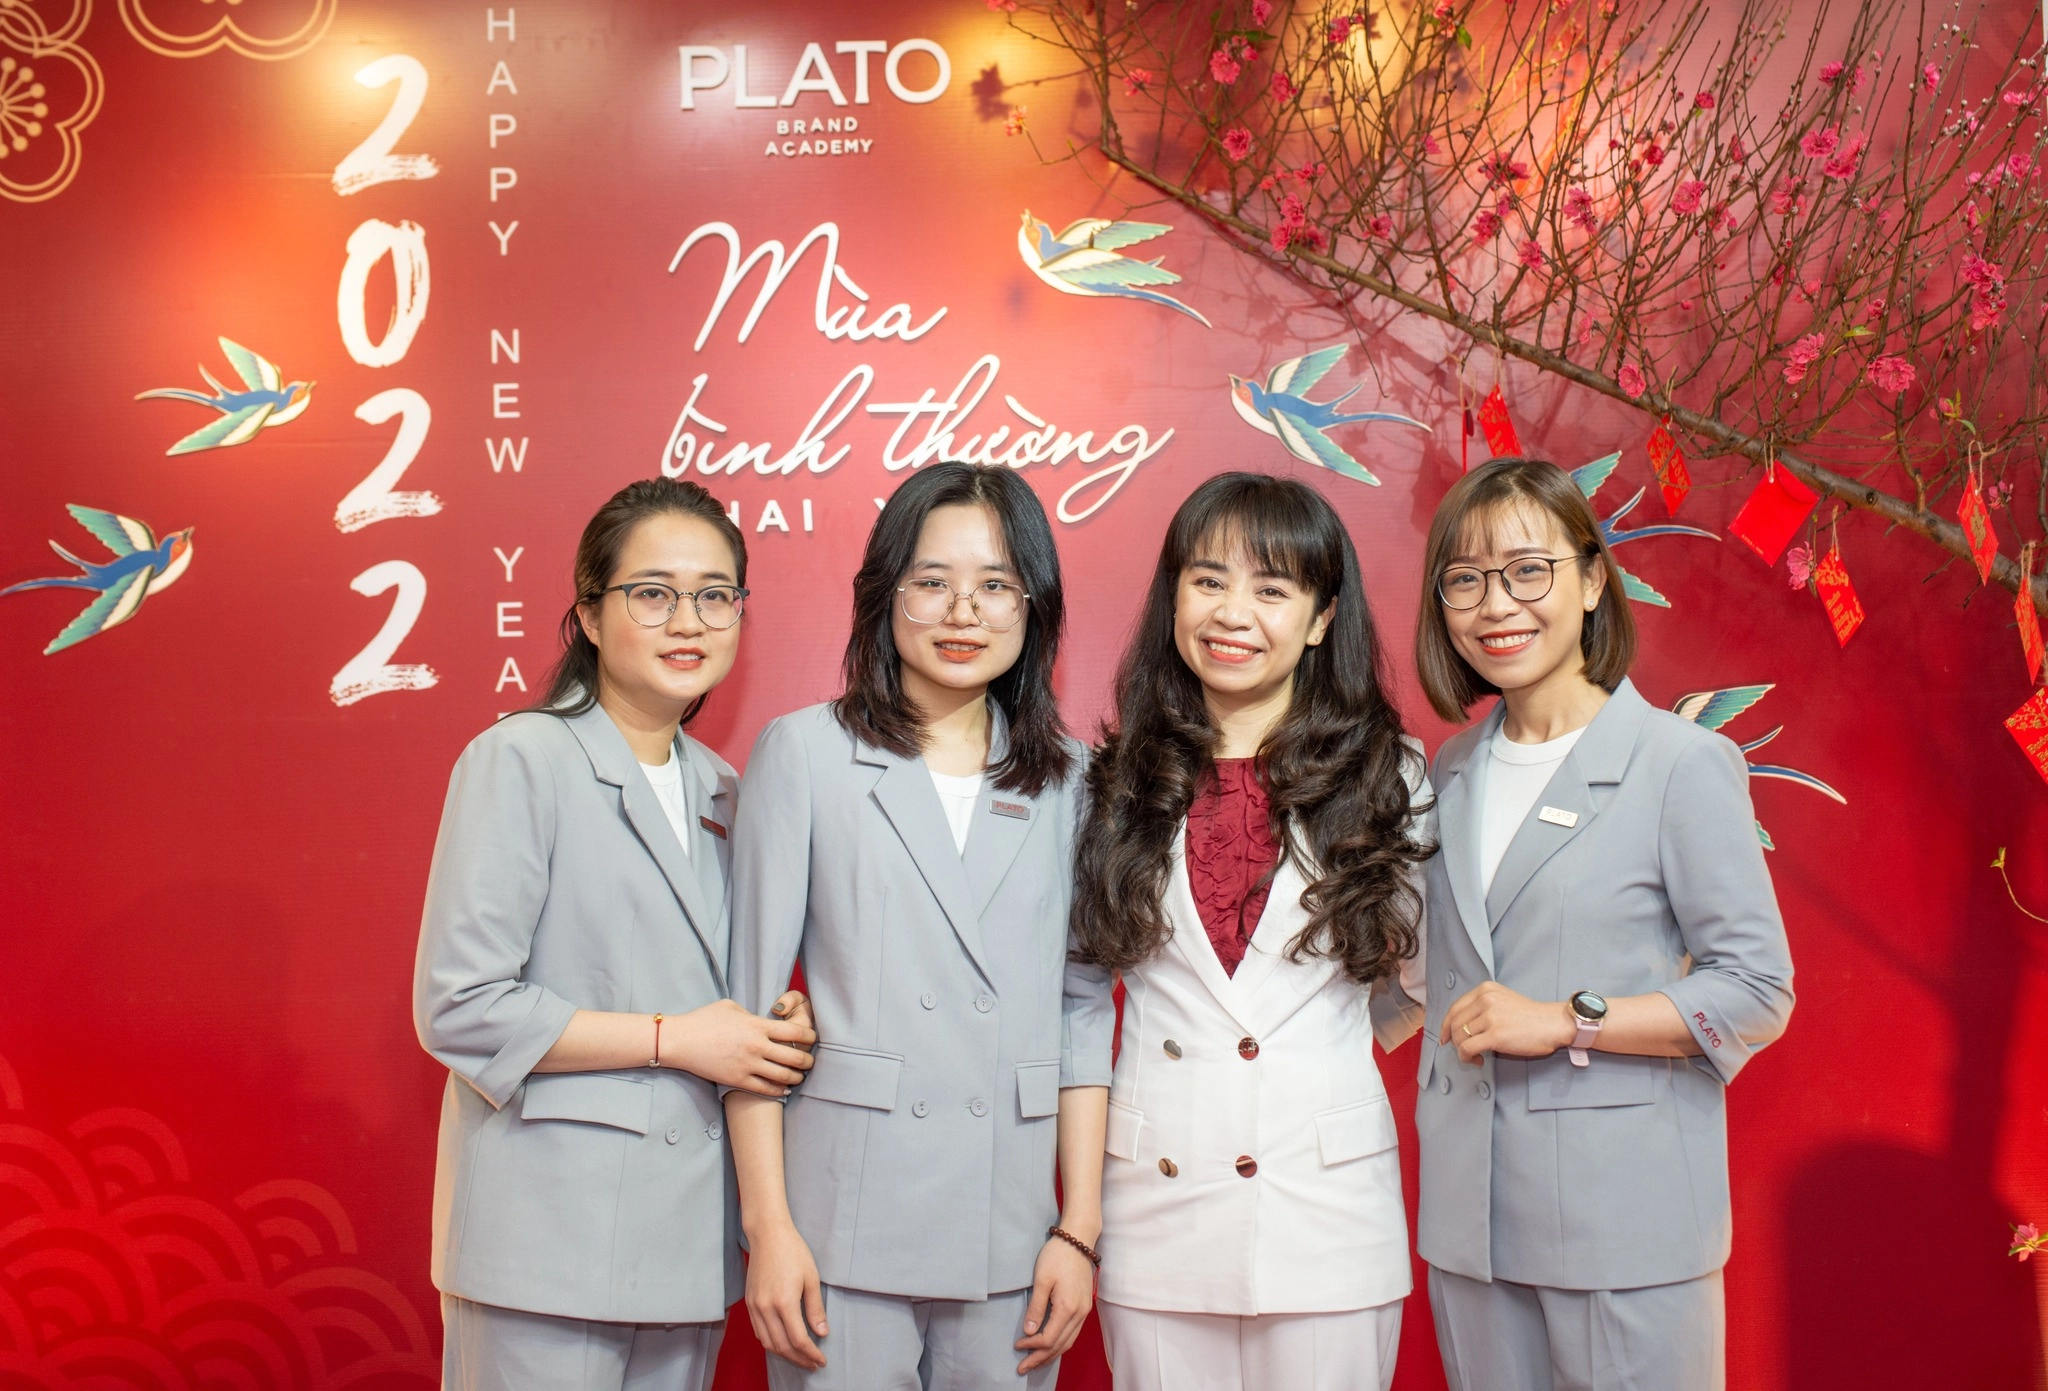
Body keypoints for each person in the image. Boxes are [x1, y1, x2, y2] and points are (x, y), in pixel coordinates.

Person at [414, 478, 816, 1391]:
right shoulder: (522, 757)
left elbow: (716, 993)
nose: (689, 621)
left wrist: (773, 1023)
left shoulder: (725, 789)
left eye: (715, 595)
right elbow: (461, 1006)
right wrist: (680, 1037)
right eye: (654, 593)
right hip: (545, 1244)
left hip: (683, 1247)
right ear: (591, 615)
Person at [724, 462, 1114, 1391]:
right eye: (932, 581)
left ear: (1033, 607)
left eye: (995, 585)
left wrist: (1079, 1229)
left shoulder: (1073, 780)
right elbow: (747, 1015)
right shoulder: (807, 753)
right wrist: (769, 1228)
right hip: (840, 1220)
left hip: (1012, 1224)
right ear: (885, 594)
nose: (962, 612)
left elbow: (1084, 1012)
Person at [1411, 457, 1796, 1391]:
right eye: (1465, 579)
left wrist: (1565, 1018)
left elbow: (1756, 989)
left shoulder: (1679, 762)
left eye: (1527, 570)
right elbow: (1419, 969)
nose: (1496, 605)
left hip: (1624, 1221)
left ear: (1591, 580)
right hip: (1470, 1224)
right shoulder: (1446, 771)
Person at [1071, 472, 1434, 1391]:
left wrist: (1312, 1054)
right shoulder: (1114, 777)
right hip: (1157, 1208)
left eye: (1271, 589)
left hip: (1327, 1212)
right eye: (1208, 580)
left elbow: (1419, 974)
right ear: (1174, 596)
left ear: (1320, 618)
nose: (1233, 613)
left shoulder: (1389, 775)